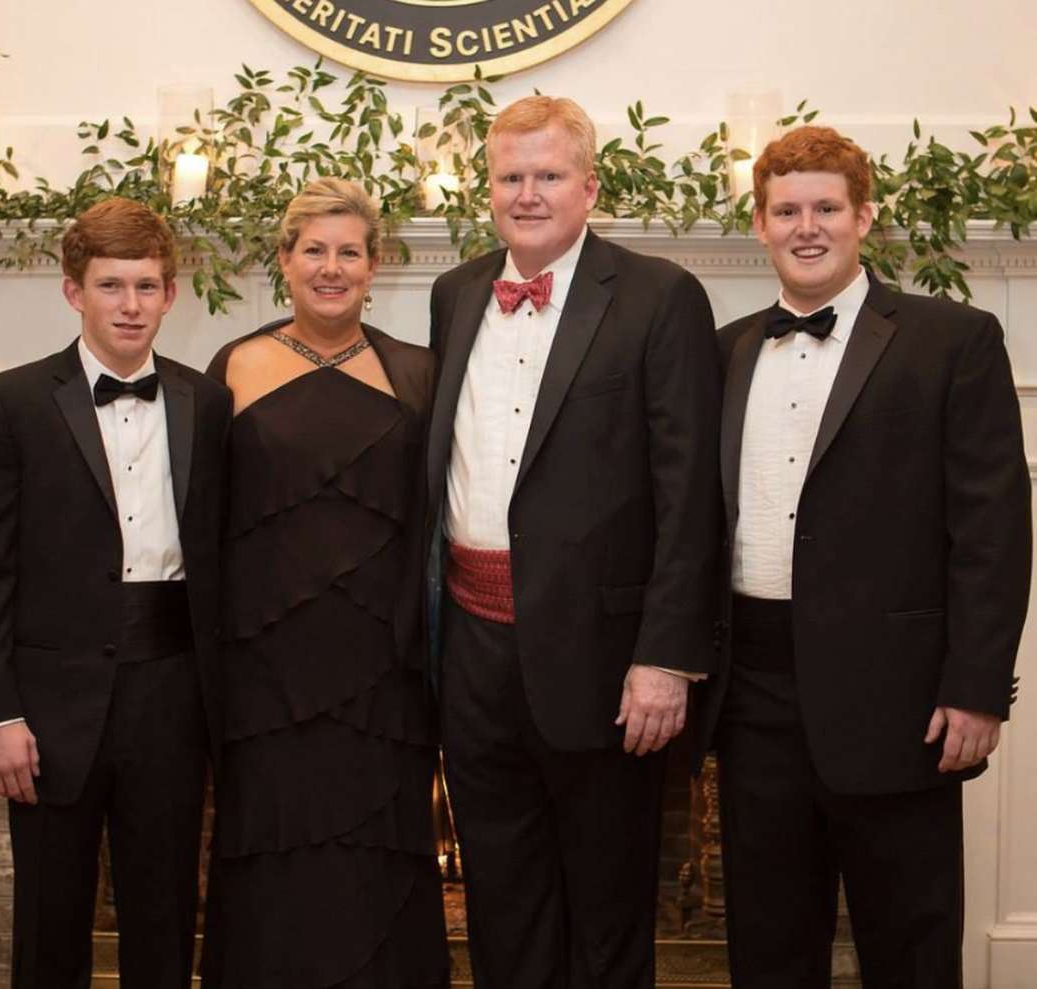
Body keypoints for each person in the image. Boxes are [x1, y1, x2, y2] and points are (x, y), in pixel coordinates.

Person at [695, 125, 1031, 989]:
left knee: (910, 944)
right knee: (768, 948)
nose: (807, 227)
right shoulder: (725, 348)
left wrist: (976, 686)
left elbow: (993, 530)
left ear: (864, 217)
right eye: (787, 210)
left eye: (827, 208)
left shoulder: (952, 340)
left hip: (901, 697)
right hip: (754, 697)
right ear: (761, 224)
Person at [427, 96, 722, 989]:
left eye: (547, 176)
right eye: (510, 177)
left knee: (606, 903)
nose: (527, 194)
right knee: (501, 896)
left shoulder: (660, 296)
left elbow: (691, 492)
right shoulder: (455, 293)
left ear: (589, 187)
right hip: (472, 650)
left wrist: (666, 655)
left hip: (604, 659)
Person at [0, 198, 232, 988]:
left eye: (147, 286)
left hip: (172, 692)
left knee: (167, 914)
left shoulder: (207, 402)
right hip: (48, 705)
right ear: (74, 291)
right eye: (111, 286)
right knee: (49, 921)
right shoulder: (8, 404)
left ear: (173, 293)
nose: (130, 306)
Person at [201, 177, 449, 989]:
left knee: (376, 865)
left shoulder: (418, 374)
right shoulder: (233, 367)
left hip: (385, 676)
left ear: (376, 265)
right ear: (285, 259)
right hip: (265, 679)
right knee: (272, 862)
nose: (332, 267)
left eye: (350, 252)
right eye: (315, 250)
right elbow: (202, 527)